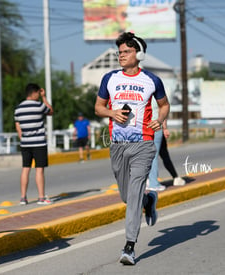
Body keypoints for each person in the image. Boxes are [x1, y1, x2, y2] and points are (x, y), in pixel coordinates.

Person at [94, 32, 170, 265]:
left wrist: (160, 119)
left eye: (126, 52)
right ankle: (149, 201)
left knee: (135, 192)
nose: (121, 56)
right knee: (128, 197)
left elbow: (164, 105)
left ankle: (129, 246)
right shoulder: (110, 78)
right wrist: (111, 112)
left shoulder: (152, 80)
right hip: (117, 144)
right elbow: (98, 107)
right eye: (120, 52)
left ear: (139, 54)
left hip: (144, 143)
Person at [14, 83, 54, 205]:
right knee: (39, 170)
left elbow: (18, 126)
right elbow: (51, 111)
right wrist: (44, 97)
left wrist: (24, 138)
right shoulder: (39, 106)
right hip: (39, 143)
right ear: (35, 92)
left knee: (25, 169)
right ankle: (41, 197)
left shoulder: (18, 108)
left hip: (25, 143)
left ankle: (23, 198)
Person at [159, 120, 186, 186]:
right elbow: (163, 112)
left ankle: (147, 180)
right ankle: (175, 177)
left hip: (142, 131)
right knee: (165, 156)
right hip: (156, 130)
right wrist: (165, 128)